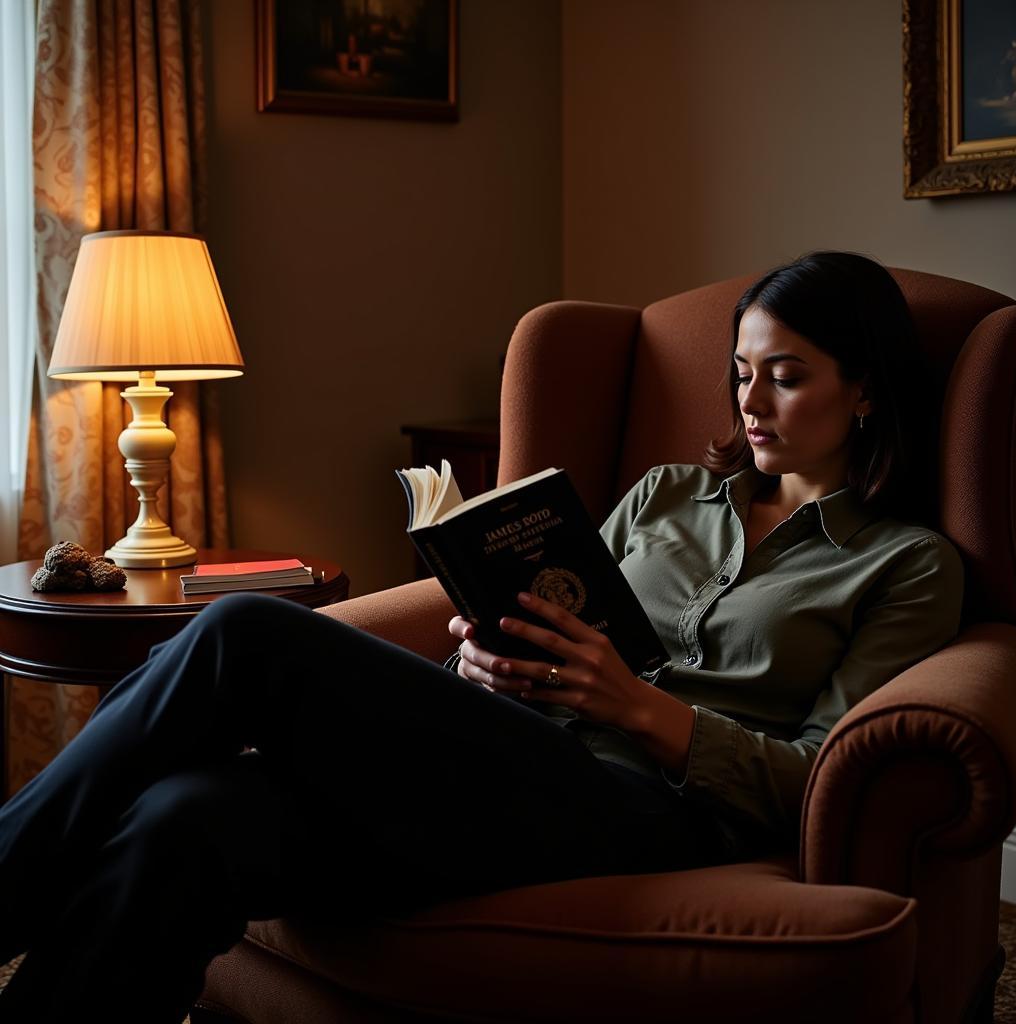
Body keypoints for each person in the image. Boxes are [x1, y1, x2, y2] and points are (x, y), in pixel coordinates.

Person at [0, 251, 962, 1023]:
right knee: (189, 812)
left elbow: (818, 778)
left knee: (247, 629)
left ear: (866, 390)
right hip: (517, 762)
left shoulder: (905, 565)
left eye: (786, 379)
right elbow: (568, 623)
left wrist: (630, 702)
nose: (750, 403)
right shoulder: (667, 494)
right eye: (742, 374)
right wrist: (488, 664)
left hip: (653, 814)